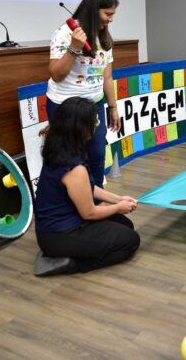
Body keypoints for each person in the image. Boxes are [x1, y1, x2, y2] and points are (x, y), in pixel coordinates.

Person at [33, 97, 140, 277]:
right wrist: (118, 208)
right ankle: (69, 263)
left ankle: (63, 253)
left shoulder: (60, 149)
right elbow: (89, 213)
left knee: (126, 226)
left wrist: (118, 199)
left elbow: (87, 188)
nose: (97, 124)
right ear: (81, 127)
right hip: (60, 234)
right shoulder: (74, 167)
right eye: (94, 121)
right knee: (131, 241)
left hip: (56, 229)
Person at [46, 0, 121, 188]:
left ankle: (94, 204)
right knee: (69, 160)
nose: (110, 19)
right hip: (66, 107)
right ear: (93, 9)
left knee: (97, 155)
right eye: (107, 14)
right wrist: (74, 49)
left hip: (94, 106)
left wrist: (112, 107)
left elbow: (107, 76)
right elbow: (56, 74)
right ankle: (73, 209)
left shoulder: (104, 37)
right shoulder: (65, 33)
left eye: (113, 14)